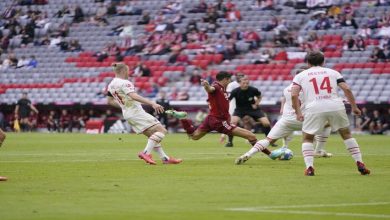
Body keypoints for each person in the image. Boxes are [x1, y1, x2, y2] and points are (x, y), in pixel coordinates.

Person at [166, 71, 282, 160]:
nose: (230, 82)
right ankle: (270, 154)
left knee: (194, 136)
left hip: (211, 119)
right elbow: (210, 89)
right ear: (226, 79)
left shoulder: (223, 89)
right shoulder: (216, 87)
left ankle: (184, 119)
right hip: (219, 121)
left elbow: (212, 98)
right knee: (251, 136)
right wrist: (206, 86)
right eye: (229, 80)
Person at [291, 51, 370, 176]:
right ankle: (359, 162)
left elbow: (294, 94)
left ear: (307, 62)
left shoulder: (301, 75)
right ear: (323, 62)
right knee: (347, 135)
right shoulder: (333, 72)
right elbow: (346, 88)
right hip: (335, 105)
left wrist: (298, 112)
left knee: (307, 138)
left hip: (313, 107)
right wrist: (354, 107)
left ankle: (310, 167)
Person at [235, 69, 333, 165]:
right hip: (303, 120)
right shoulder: (310, 88)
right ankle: (318, 150)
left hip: (286, 120)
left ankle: (248, 154)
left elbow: (286, 99)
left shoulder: (287, 89)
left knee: (268, 140)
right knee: (328, 124)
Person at [107, 63, 181, 165]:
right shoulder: (125, 83)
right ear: (124, 71)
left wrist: (124, 106)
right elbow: (133, 96)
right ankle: (145, 153)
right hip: (136, 112)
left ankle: (165, 158)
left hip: (127, 113)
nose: (129, 73)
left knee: (152, 136)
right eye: (128, 71)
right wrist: (152, 103)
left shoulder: (111, 85)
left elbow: (109, 101)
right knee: (162, 130)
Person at [225, 77, 273, 147]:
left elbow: (259, 96)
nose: (245, 85)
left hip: (253, 109)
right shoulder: (235, 91)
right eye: (243, 83)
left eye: (247, 83)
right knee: (232, 123)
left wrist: (256, 104)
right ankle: (230, 142)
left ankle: (269, 141)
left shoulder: (253, 89)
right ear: (239, 83)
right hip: (240, 110)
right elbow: (228, 100)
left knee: (266, 123)